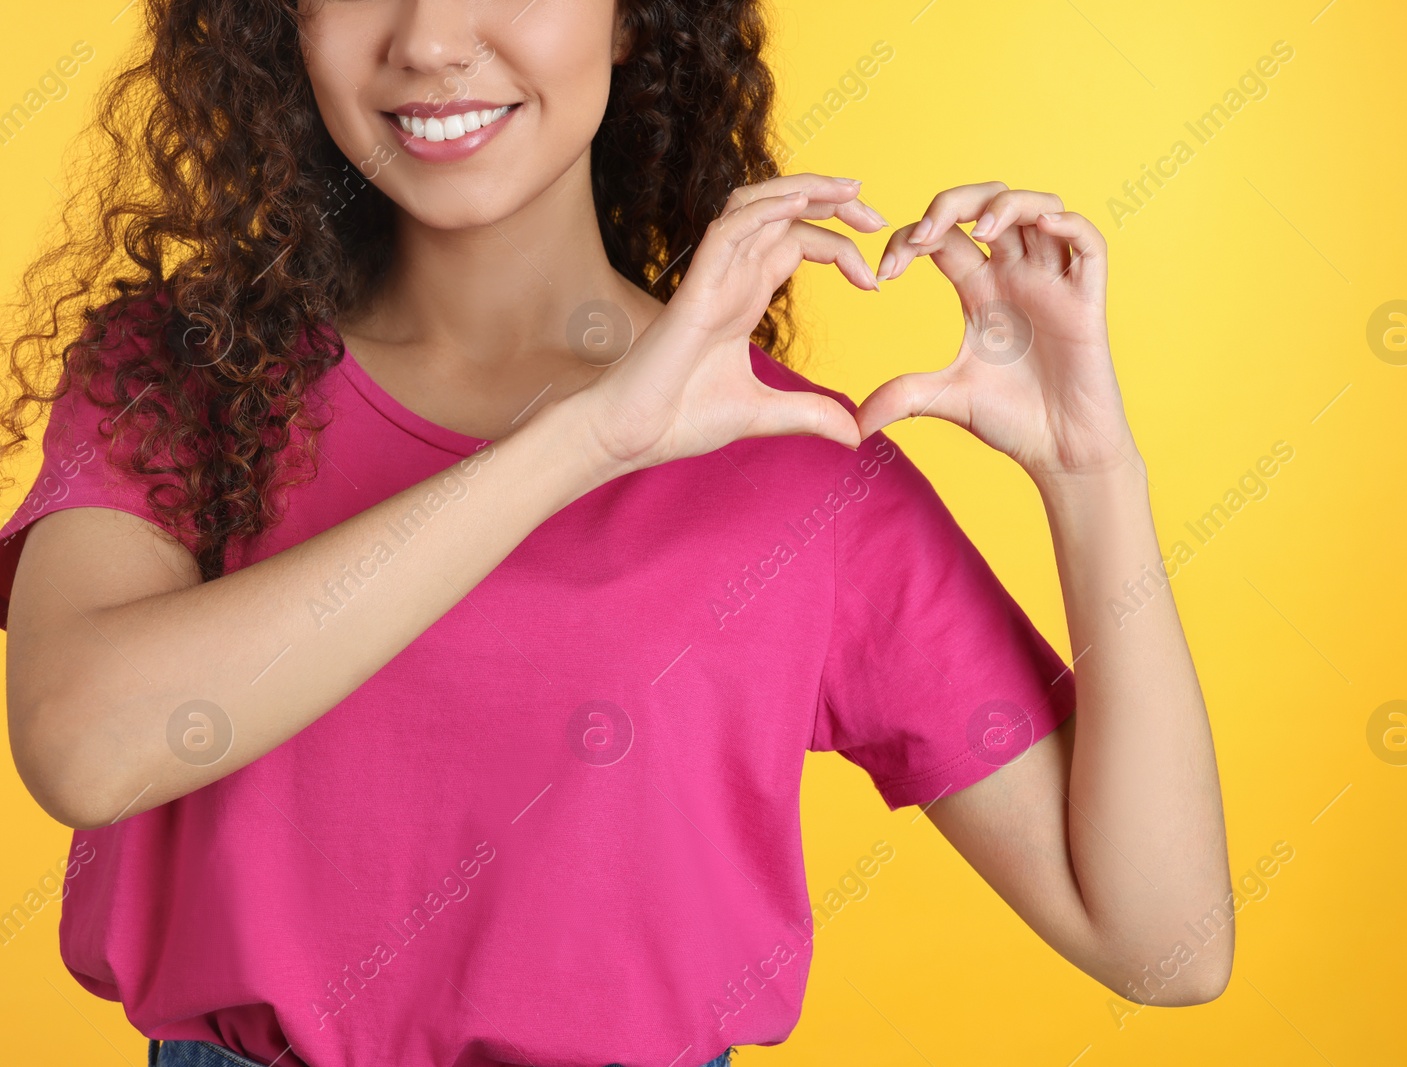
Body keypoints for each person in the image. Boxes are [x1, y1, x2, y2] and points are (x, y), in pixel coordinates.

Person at [0, 2, 1231, 1065]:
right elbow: (85, 745)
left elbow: (1162, 941)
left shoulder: (793, 469)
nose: (428, 39)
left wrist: (1090, 469)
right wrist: (585, 440)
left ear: (633, 14)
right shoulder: (183, 371)